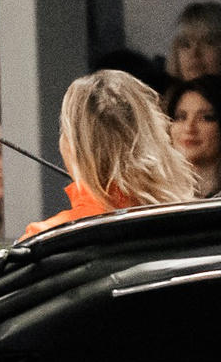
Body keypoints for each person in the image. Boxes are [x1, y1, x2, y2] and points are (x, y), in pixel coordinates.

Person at [22, 70, 201, 237]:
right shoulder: (193, 225)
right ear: (153, 135)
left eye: (63, 131)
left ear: (73, 145)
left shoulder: (45, 237)